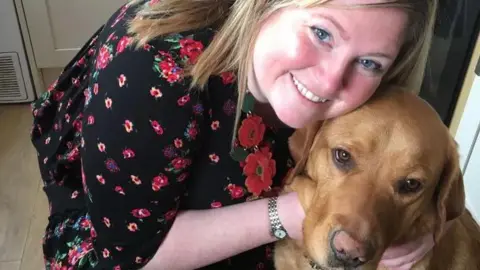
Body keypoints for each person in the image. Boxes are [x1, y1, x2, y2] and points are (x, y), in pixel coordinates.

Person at [30, 0, 441, 269]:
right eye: (321, 33)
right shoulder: (153, 68)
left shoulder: (367, 101)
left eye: (370, 62)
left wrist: (409, 229)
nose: (332, 81)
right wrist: (293, 215)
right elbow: (130, 255)